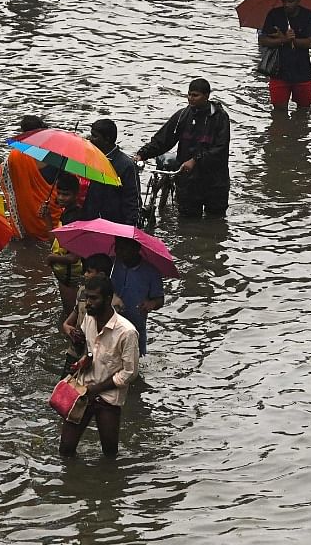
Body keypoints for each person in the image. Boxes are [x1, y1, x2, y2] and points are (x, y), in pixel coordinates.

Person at [57, 276, 139, 458]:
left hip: (108, 398)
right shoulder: (89, 319)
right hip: (83, 391)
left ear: (108, 299)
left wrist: (97, 389)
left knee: (110, 453)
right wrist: (78, 346)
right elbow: (88, 353)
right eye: (87, 298)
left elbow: (130, 373)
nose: (88, 303)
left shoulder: (127, 332)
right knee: (65, 449)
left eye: (94, 298)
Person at [132, 78, 231, 220]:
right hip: (188, 181)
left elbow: (220, 149)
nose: (191, 99)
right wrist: (142, 154)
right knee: (187, 221)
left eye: (195, 95)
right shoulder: (182, 116)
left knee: (216, 220)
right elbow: (163, 140)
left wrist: (196, 160)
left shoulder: (220, 118)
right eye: (189, 94)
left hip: (215, 181)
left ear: (207, 95)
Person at [0, 115, 63, 241]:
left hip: (26, 220)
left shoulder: (15, 155)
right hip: (52, 216)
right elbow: (69, 184)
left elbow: (5, 175)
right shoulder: (56, 156)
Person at [259, 0, 311, 113]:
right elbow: (263, 40)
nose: (287, 5)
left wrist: (293, 41)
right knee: (279, 112)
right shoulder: (274, 15)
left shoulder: (308, 15)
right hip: (279, 71)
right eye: (285, 1)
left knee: (304, 111)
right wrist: (283, 40)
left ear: (298, 0)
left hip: (302, 71)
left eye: (291, 1)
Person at [108, 237, 165, 357]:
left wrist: (151, 304)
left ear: (136, 249)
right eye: (117, 247)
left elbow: (160, 299)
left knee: (136, 360)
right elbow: (99, 285)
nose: (119, 252)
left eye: (124, 248)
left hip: (136, 325)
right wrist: (113, 296)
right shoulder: (111, 264)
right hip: (111, 322)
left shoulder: (151, 272)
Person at [59, 253, 114, 376]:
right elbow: (75, 312)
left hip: (93, 351)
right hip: (75, 347)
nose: (85, 275)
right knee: (65, 382)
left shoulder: (112, 300)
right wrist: (67, 326)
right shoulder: (82, 291)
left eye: (89, 272)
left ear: (100, 275)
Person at [81, 119, 141, 226]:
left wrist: (129, 229)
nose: (90, 140)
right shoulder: (90, 158)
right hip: (91, 219)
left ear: (107, 139)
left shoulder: (126, 165)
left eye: (95, 136)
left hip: (114, 223)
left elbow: (132, 201)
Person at [46, 174, 84, 319]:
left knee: (71, 316)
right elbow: (56, 243)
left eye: (66, 195)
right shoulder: (66, 213)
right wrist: (47, 218)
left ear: (75, 195)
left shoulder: (74, 218)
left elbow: (74, 257)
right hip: (63, 274)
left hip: (70, 275)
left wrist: (51, 258)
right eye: (59, 193)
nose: (61, 197)